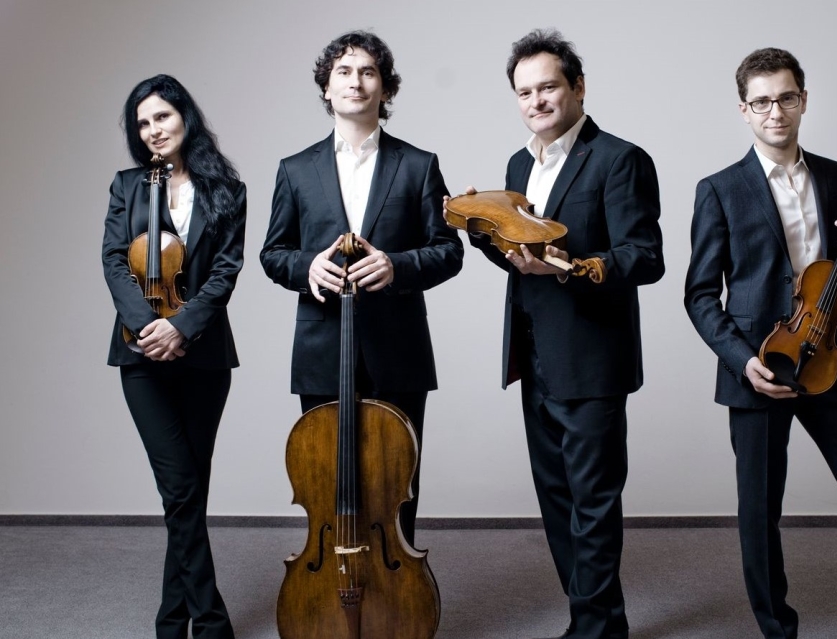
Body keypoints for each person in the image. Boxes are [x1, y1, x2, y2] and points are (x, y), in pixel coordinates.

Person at [683, 48, 837, 639]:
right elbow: (699, 296)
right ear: (744, 109)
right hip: (763, 367)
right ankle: (777, 631)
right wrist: (743, 362)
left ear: (804, 101)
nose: (775, 112)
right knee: (761, 514)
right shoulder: (718, 189)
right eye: (761, 101)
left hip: (830, 363)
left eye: (786, 97)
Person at [458, 28, 664, 639]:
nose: (537, 101)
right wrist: (483, 230)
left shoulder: (621, 158)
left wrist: (580, 267)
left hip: (593, 355)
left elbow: (645, 255)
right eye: (525, 92)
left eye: (548, 87)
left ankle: (595, 628)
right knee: (555, 498)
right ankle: (597, 620)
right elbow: (520, 257)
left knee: (593, 500)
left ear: (577, 87)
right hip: (534, 353)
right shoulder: (519, 164)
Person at [261, 30, 462, 546]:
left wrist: (396, 266)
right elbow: (272, 253)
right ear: (326, 88)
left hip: (399, 350)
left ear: (386, 89)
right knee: (327, 485)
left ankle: (399, 606)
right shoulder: (295, 169)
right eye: (344, 72)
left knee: (399, 488)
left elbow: (449, 250)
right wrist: (307, 269)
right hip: (322, 349)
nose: (356, 81)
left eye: (368, 71)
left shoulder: (419, 165)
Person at [102, 74, 245, 639]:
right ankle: (210, 622)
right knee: (180, 489)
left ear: (184, 116)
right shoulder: (127, 186)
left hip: (204, 354)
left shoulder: (226, 190)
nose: (153, 129)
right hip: (141, 358)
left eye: (161, 116)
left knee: (187, 491)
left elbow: (225, 271)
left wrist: (181, 326)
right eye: (143, 122)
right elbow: (115, 260)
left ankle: (170, 621)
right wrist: (147, 327)